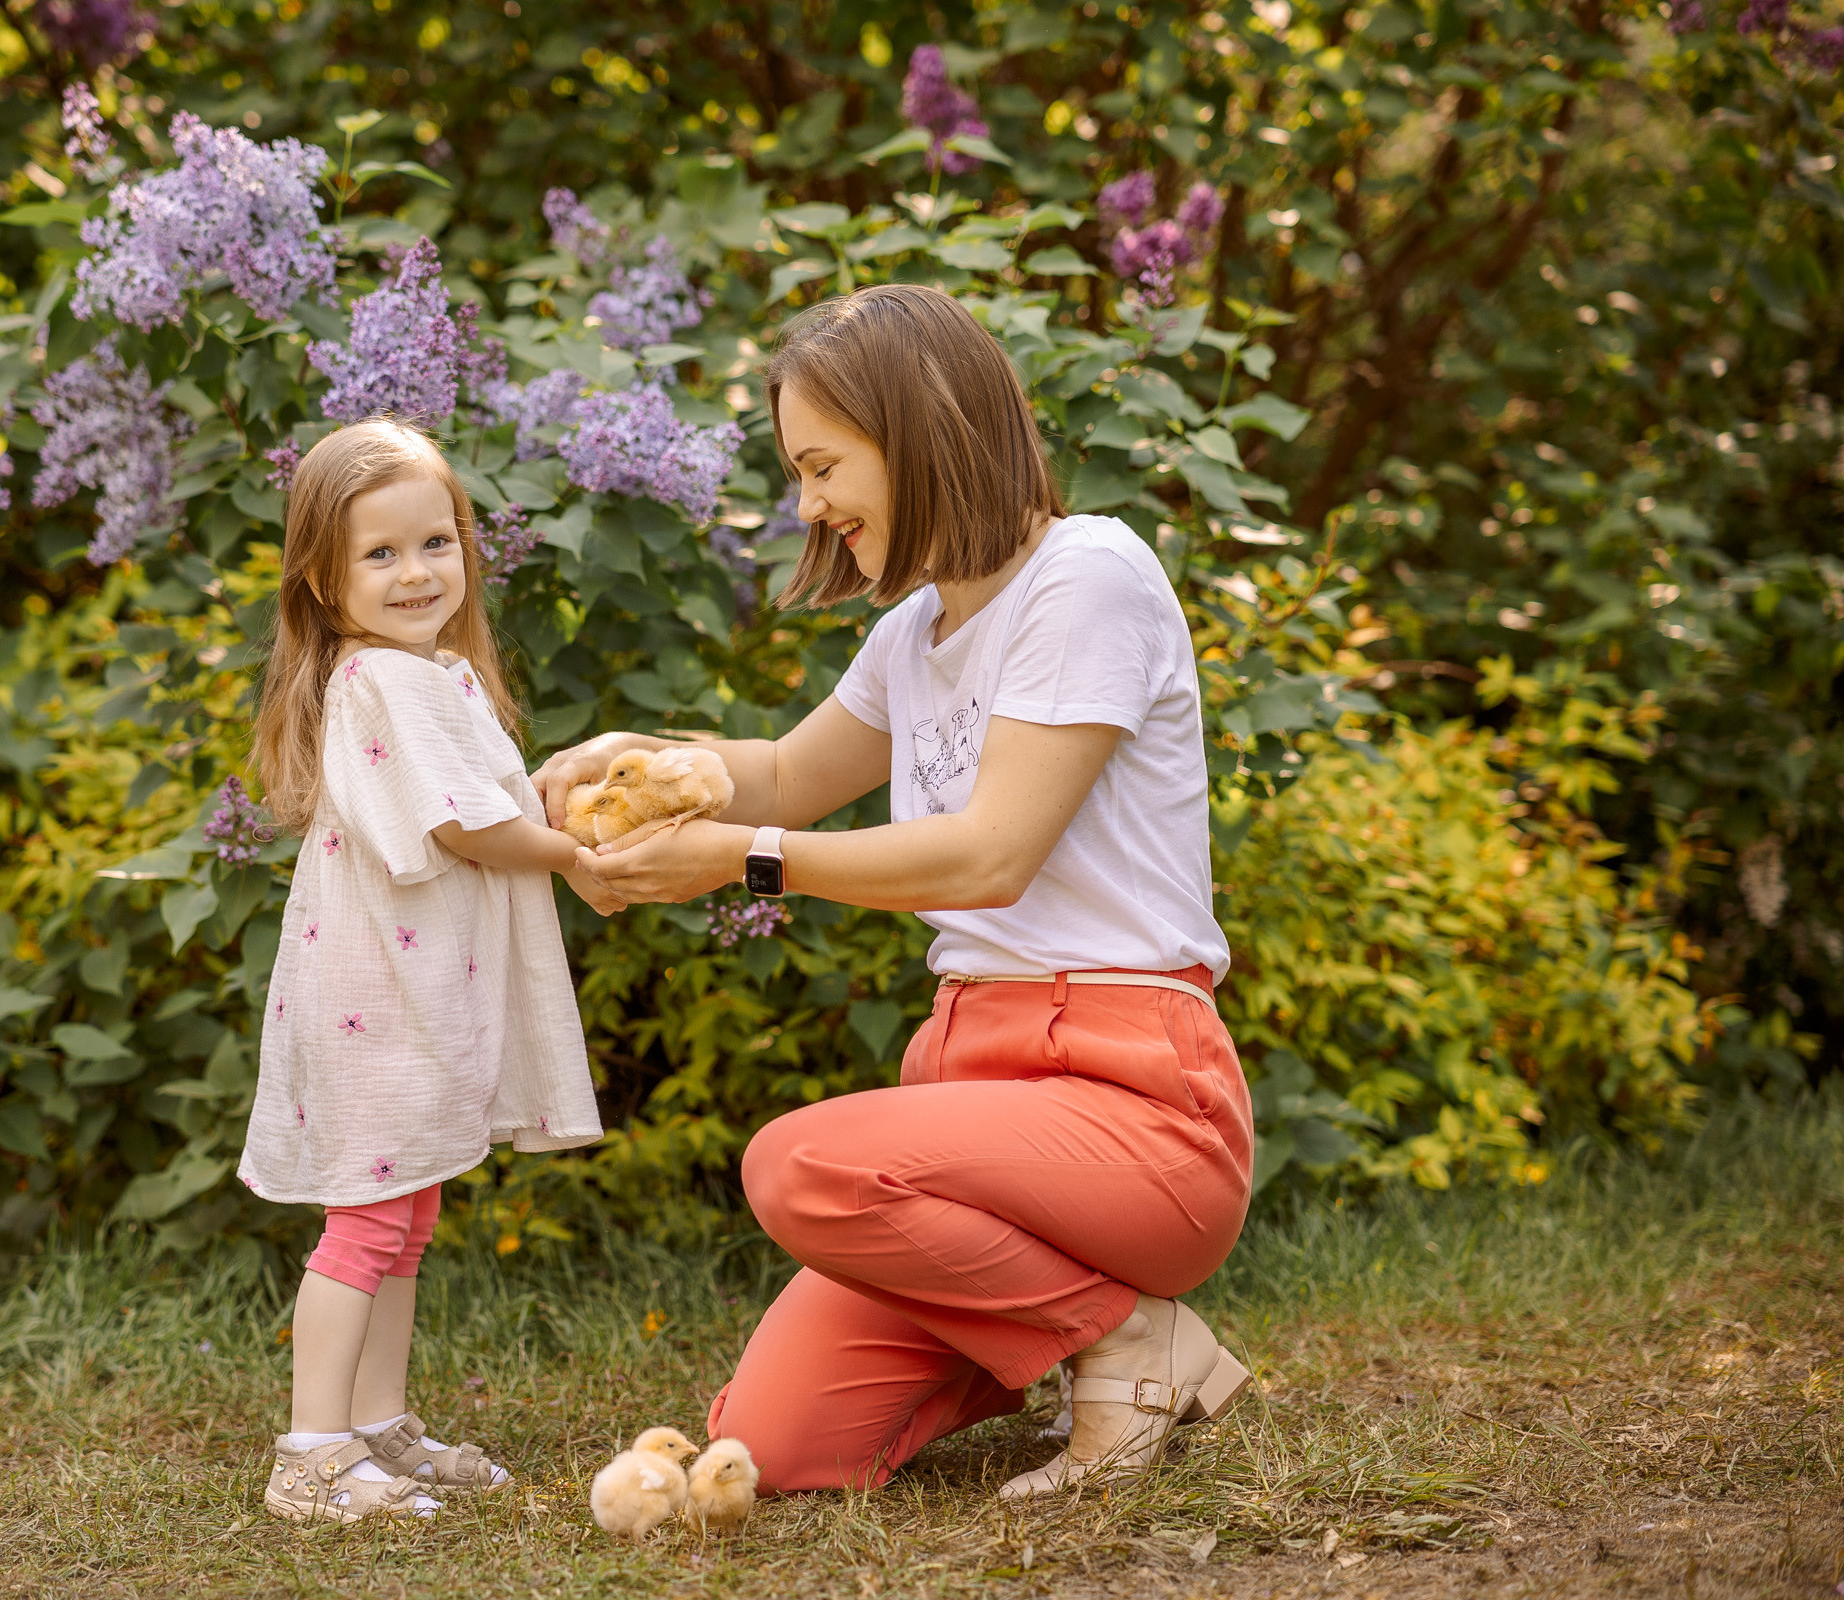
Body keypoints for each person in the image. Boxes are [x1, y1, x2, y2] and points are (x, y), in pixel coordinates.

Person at [533, 284, 1255, 1499]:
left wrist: (742, 855)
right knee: (773, 1447)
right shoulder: (913, 634)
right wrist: (641, 760)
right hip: (971, 1093)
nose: (807, 503)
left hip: (1136, 1098)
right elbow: (781, 773)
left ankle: (1130, 1342)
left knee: (800, 1166)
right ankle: (1077, 1333)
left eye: (822, 466)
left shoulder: (1087, 575)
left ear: (918, 430)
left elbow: (989, 853)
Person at [240, 419, 615, 1522]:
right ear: (323, 574)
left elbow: (488, 797)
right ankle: (309, 1451)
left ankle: (374, 1421)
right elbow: (464, 827)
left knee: (407, 1213)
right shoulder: (382, 683)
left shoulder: (432, 674)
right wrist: (578, 854)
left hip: (411, 987)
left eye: (436, 542)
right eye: (380, 554)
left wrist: (552, 811)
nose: (416, 573)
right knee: (366, 1217)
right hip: (375, 999)